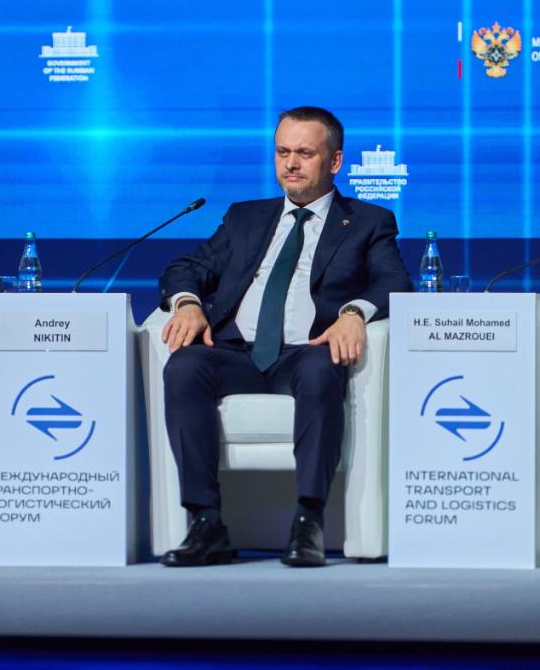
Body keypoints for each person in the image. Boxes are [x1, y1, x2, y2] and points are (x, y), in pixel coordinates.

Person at [158, 106, 413, 567]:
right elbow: (187, 268)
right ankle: (206, 523)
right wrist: (188, 303)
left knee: (321, 368)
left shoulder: (369, 221)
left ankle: (308, 521)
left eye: (304, 153)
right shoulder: (245, 217)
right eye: (282, 152)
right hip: (236, 353)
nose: (290, 163)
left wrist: (354, 312)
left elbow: (394, 281)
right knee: (185, 366)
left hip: (307, 351)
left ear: (334, 162)